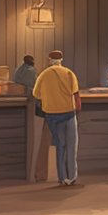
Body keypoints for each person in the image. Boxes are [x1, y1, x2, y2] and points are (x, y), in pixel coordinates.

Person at [33, 49, 82, 185]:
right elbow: (76, 94)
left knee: (60, 146)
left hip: (52, 115)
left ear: (49, 60)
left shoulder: (43, 75)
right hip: (68, 113)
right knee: (72, 146)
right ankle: (71, 177)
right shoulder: (69, 73)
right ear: (61, 60)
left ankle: (62, 177)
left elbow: (36, 94)